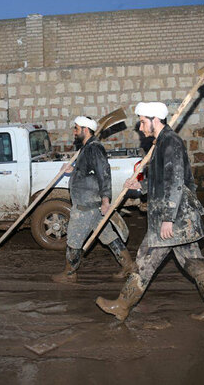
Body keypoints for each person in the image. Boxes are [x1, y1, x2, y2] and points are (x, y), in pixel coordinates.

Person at [96, 102, 204, 323]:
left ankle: (122, 305)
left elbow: (175, 183)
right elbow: (160, 181)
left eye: (143, 122)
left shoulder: (171, 143)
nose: (139, 127)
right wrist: (141, 187)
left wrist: (168, 219)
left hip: (174, 218)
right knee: (194, 263)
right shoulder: (160, 143)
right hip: (173, 219)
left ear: (155, 120)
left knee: (146, 261)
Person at [51, 116, 136, 283]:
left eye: (76, 129)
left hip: (86, 206)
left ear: (85, 129)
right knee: (108, 236)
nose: (74, 132)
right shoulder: (87, 148)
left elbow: (104, 174)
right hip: (91, 204)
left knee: (74, 239)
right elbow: (87, 173)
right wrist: (71, 170)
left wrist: (106, 200)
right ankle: (129, 265)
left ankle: (69, 273)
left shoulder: (94, 148)